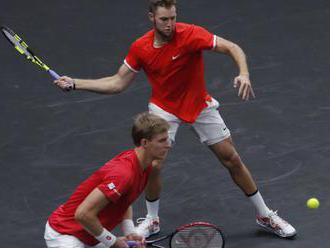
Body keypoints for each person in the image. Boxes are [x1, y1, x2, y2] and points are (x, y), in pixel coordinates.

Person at [54, 0, 296, 239]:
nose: (170, 24)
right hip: (164, 108)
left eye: (173, 18)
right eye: (164, 20)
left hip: (198, 103)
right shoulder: (141, 47)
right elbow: (117, 82)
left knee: (231, 158)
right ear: (152, 18)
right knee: (153, 164)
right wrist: (76, 83)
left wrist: (243, 73)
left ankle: (265, 215)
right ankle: (152, 219)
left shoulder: (191, 34)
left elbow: (232, 47)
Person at [44, 112, 171, 248]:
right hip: (65, 234)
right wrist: (114, 243)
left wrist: (129, 232)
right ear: (145, 142)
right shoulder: (123, 174)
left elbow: (124, 199)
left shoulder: (144, 165)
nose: (168, 145)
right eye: (162, 141)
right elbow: (83, 214)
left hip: (91, 234)